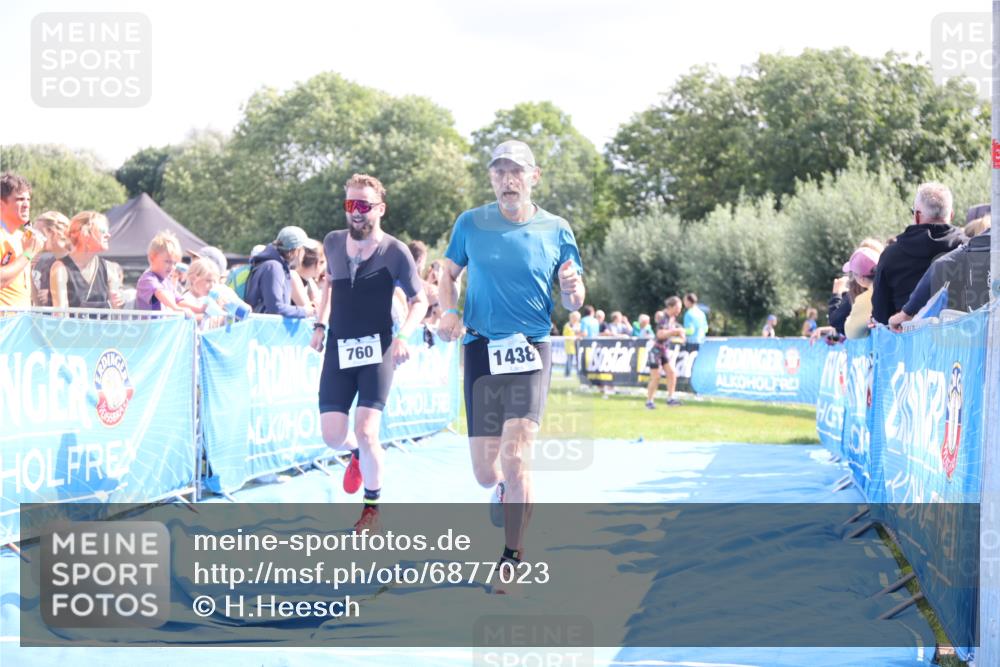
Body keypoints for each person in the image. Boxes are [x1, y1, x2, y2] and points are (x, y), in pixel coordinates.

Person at [436, 140, 584, 592]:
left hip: (531, 350)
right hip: (481, 349)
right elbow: (446, 273)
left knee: (516, 457)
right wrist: (447, 310)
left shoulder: (557, 229)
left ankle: (512, 555)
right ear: (492, 179)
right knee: (486, 472)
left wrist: (572, 289)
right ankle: (501, 489)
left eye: (516, 171)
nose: (507, 179)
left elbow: (574, 298)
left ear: (533, 176)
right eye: (499, 171)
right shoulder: (471, 223)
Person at [310, 174, 428, 534]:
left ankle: (371, 507)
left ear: (380, 209)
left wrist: (404, 335)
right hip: (338, 350)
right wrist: (319, 324)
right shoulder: (331, 242)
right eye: (350, 205)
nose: (356, 213)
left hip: (378, 351)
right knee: (333, 435)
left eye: (363, 205)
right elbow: (329, 282)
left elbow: (419, 300)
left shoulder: (395, 251)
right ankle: (359, 455)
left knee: (366, 429)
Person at [871, 182, 964, 324]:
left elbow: (880, 313)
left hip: (907, 340)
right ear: (951, 215)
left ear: (917, 215)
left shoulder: (890, 255)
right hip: (961, 339)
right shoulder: (967, 247)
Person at [889, 215, 992, 330]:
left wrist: (906, 313)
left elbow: (941, 265)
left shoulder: (984, 242)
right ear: (951, 214)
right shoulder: (983, 241)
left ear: (917, 215)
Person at [49, 211, 123, 310]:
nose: (108, 235)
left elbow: (116, 315)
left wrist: (117, 303)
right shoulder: (60, 269)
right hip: (72, 325)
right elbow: (61, 315)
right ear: (85, 234)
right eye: (102, 231)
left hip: (103, 325)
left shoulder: (110, 269)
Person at [245, 226, 311, 318]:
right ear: (297, 250)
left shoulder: (274, 266)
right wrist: (304, 312)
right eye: (304, 249)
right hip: (265, 330)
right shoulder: (273, 267)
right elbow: (276, 308)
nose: (305, 254)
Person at [0, 173, 44, 309]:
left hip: (21, 324)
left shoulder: (23, 237)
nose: (26, 205)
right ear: (1, 205)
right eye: (19, 199)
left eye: (28, 199)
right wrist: (28, 254)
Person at [135, 230, 201, 315]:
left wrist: (199, 309)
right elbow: (159, 292)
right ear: (152, 258)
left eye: (174, 263)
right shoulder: (147, 279)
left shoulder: (167, 282)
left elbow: (178, 300)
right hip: (149, 327)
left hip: (162, 327)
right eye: (167, 262)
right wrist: (176, 308)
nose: (172, 267)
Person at [646, 296, 685, 409]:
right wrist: (675, 332)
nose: (679, 311)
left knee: (672, 374)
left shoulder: (672, 319)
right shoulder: (664, 318)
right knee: (656, 377)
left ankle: (670, 399)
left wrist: (680, 335)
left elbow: (674, 333)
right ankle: (649, 401)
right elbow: (660, 334)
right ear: (670, 307)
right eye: (677, 308)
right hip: (656, 351)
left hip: (663, 351)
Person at [30, 210, 71, 307]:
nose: (34, 238)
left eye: (38, 233)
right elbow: (40, 305)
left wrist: (52, 294)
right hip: (52, 321)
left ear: (51, 232)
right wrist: (28, 271)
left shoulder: (79, 260)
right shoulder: (48, 264)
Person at [840, 247, 881, 339]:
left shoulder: (864, 300)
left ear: (861, 278)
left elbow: (851, 333)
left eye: (853, 274)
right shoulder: (895, 286)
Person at [561, 311, 582, 377]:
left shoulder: (579, 325)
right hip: (570, 345)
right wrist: (573, 331)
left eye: (577, 318)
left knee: (578, 360)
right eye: (574, 317)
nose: (575, 319)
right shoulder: (567, 325)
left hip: (578, 344)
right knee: (569, 360)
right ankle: (567, 374)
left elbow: (581, 333)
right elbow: (565, 334)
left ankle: (579, 373)